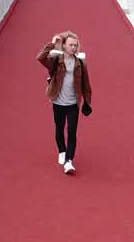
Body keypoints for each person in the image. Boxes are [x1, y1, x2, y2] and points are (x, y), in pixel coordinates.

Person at [37, 31, 92, 175]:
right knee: (59, 128)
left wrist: (87, 102)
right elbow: (40, 57)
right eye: (71, 45)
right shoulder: (56, 61)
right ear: (64, 46)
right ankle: (62, 150)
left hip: (73, 103)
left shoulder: (80, 63)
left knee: (72, 131)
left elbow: (86, 85)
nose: (73, 48)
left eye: (75, 45)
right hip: (58, 101)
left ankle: (69, 161)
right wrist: (52, 44)